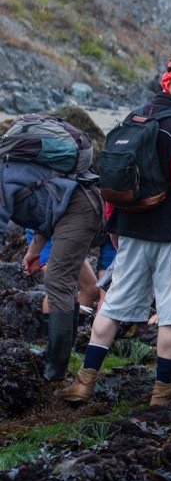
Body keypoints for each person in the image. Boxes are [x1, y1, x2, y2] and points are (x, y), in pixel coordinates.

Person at [60, 50, 171, 406]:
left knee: (113, 305)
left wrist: (114, 223)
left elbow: (115, 175)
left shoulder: (136, 117)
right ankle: (163, 392)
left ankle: (83, 382)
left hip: (130, 228)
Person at [3, 154, 103, 381]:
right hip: (72, 207)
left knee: (57, 281)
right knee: (62, 282)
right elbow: (47, 207)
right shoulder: (12, 169)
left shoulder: (3, 174)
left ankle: (55, 369)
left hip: (79, 208)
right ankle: (56, 356)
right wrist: (34, 250)